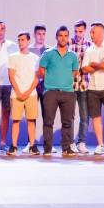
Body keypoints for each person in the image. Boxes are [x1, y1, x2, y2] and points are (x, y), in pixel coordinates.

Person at [39, 26, 79, 156]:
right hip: (51, 92)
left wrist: (65, 80)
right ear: (57, 37)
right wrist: (52, 80)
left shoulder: (73, 55)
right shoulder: (48, 53)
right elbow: (41, 71)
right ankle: (47, 149)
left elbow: (74, 72)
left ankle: (66, 148)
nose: (63, 38)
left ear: (68, 37)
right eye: (60, 35)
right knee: (48, 121)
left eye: (65, 36)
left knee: (67, 122)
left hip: (68, 92)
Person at [81, 22, 104, 155]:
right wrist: (97, 65)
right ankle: (100, 144)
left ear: (101, 33)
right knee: (96, 117)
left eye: (93, 32)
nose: (91, 35)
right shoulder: (89, 50)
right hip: (93, 88)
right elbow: (84, 68)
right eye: (90, 32)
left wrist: (93, 64)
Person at [7, 32, 39, 156]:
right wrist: (19, 92)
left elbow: (37, 78)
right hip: (16, 94)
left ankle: (32, 146)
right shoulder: (13, 57)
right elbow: (11, 76)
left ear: (28, 41)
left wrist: (28, 92)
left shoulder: (35, 58)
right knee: (16, 121)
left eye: (23, 40)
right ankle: (14, 146)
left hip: (31, 94)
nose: (20, 42)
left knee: (31, 120)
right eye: (19, 40)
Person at [0, 20, 18, 153]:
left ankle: (2, 142)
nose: (0, 32)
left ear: (5, 30)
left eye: (2, 29)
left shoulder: (13, 46)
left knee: (6, 114)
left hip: (8, 84)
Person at [70, 20, 91, 154]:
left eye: (80, 31)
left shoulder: (89, 45)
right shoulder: (68, 43)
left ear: (85, 31)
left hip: (84, 84)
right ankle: (70, 142)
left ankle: (81, 142)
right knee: (70, 115)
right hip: (70, 85)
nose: (78, 34)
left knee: (84, 115)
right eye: (76, 31)